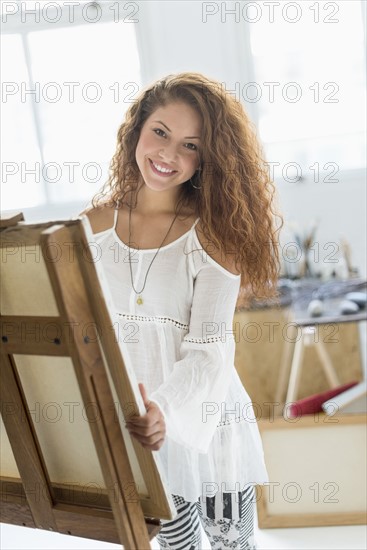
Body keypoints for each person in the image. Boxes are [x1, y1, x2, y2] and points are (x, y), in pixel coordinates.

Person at [84, 72, 282, 550]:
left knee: (233, 547)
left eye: (190, 145)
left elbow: (210, 351)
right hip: (139, 431)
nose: (169, 155)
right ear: (137, 131)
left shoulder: (214, 235)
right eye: (160, 133)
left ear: (208, 158)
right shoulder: (90, 227)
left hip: (207, 422)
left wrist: (163, 410)